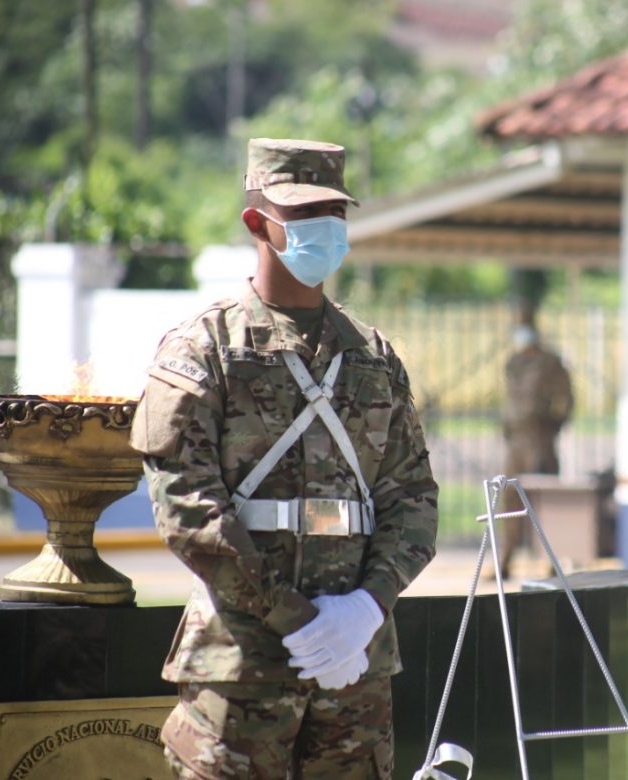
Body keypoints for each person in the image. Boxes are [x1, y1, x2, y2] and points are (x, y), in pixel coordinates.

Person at [130, 137, 438, 779]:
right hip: (241, 663)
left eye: (335, 216)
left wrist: (365, 609)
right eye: (302, 216)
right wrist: (293, 620)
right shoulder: (203, 348)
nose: (324, 232)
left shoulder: (373, 358)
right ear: (257, 222)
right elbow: (188, 507)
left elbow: (412, 501)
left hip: (355, 666)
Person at [497, 323, 573, 578]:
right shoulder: (514, 363)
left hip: (539, 439)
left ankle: (551, 562)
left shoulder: (550, 363)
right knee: (509, 498)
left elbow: (567, 399)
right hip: (516, 441)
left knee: (544, 501)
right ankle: (506, 559)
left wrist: (552, 426)